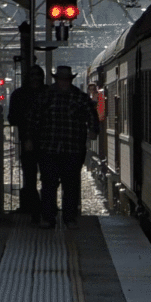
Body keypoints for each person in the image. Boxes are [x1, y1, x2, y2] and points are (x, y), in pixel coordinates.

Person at [27, 66, 99, 229]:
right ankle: (50, 217)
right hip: (51, 148)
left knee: (70, 185)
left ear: (70, 80)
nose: (64, 82)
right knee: (49, 184)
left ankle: (68, 217)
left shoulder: (78, 97)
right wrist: (30, 138)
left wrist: (94, 130)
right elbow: (33, 119)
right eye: (61, 79)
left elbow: (92, 116)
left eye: (66, 80)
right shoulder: (46, 96)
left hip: (70, 148)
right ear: (57, 80)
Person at [7, 65, 46, 219]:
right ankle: (45, 207)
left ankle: (33, 208)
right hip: (44, 142)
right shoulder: (47, 93)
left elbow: (12, 118)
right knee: (46, 177)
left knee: (30, 176)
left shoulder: (18, 95)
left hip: (27, 141)